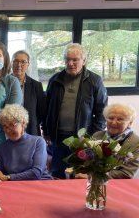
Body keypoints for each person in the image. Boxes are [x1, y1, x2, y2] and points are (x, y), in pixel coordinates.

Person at [44, 43, 108, 179]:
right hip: (58, 137)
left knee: (80, 174)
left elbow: (102, 111)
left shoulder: (94, 81)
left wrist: (93, 136)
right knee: (57, 173)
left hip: (82, 139)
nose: (70, 63)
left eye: (75, 60)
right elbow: (47, 108)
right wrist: (47, 131)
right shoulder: (55, 80)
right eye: (67, 59)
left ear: (84, 61)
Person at [0, 104, 52, 181]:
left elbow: (36, 173)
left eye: (12, 125)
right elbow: (1, 174)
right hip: (14, 186)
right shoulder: (2, 147)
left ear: (23, 123)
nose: (8, 130)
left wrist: (8, 177)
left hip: (40, 183)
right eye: (5, 126)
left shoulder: (38, 142)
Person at [75, 103, 139, 179]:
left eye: (120, 119)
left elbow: (126, 173)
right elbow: (87, 162)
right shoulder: (97, 135)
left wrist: (92, 177)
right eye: (111, 118)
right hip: (92, 185)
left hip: (119, 186)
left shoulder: (136, 142)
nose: (114, 122)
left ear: (130, 123)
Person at [11, 50, 46, 136]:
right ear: (11, 63)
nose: (19, 65)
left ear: (28, 64)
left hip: (30, 131)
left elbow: (41, 111)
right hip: (8, 130)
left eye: (23, 62)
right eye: (16, 61)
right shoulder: (4, 84)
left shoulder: (36, 86)